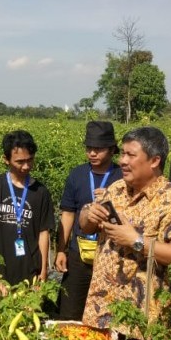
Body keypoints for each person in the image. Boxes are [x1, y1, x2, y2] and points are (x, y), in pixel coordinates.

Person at [79, 127, 171, 335]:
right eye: (122, 153)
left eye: (131, 155)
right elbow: (86, 225)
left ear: (154, 161)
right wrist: (89, 214)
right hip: (101, 310)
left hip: (139, 324)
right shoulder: (116, 189)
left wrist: (136, 241)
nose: (123, 161)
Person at [54, 121, 122, 320]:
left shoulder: (121, 177)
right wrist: (61, 249)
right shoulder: (77, 175)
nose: (92, 153)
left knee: (106, 313)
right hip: (78, 254)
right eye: (89, 148)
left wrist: (112, 199)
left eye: (98, 149)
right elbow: (67, 214)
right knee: (70, 311)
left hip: (110, 255)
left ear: (111, 149)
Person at [0, 130, 54, 285]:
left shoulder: (41, 192)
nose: (26, 166)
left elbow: (43, 233)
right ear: (6, 159)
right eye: (20, 161)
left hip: (30, 270)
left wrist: (44, 270)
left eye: (30, 160)